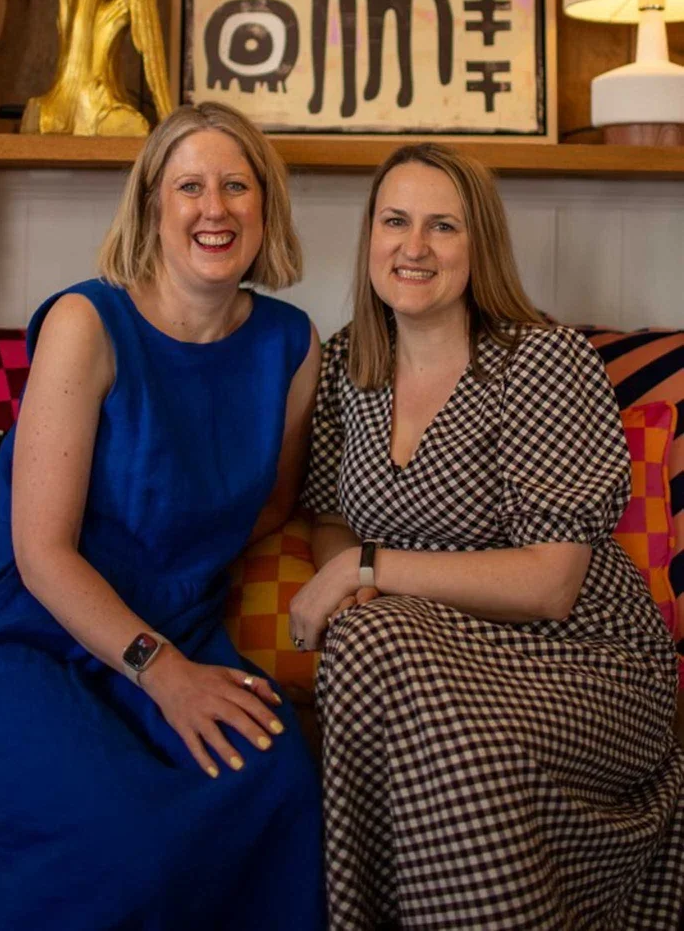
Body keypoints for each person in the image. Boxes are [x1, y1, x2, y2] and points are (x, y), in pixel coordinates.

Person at [0, 101, 326, 931]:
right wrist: (166, 671)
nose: (214, 208)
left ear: (266, 205)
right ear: (152, 204)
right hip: (18, 627)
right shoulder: (88, 321)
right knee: (118, 835)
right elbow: (40, 551)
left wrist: (177, 573)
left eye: (235, 186)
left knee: (278, 782)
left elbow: (276, 501)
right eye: (189, 186)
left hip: (172, 615)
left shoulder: (294, 344)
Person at [290, 142, 684, 931]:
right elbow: (331, 514)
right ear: (369, 235)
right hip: (429, 652)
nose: (415, 246)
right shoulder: (347, 367)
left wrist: (366, 569)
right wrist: (354, 576)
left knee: (396, 665)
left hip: (582, 657)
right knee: (372, 639)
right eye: (396, 220)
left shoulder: (540, 361)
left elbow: (551, 582)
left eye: (444, 226)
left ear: (481, 247)